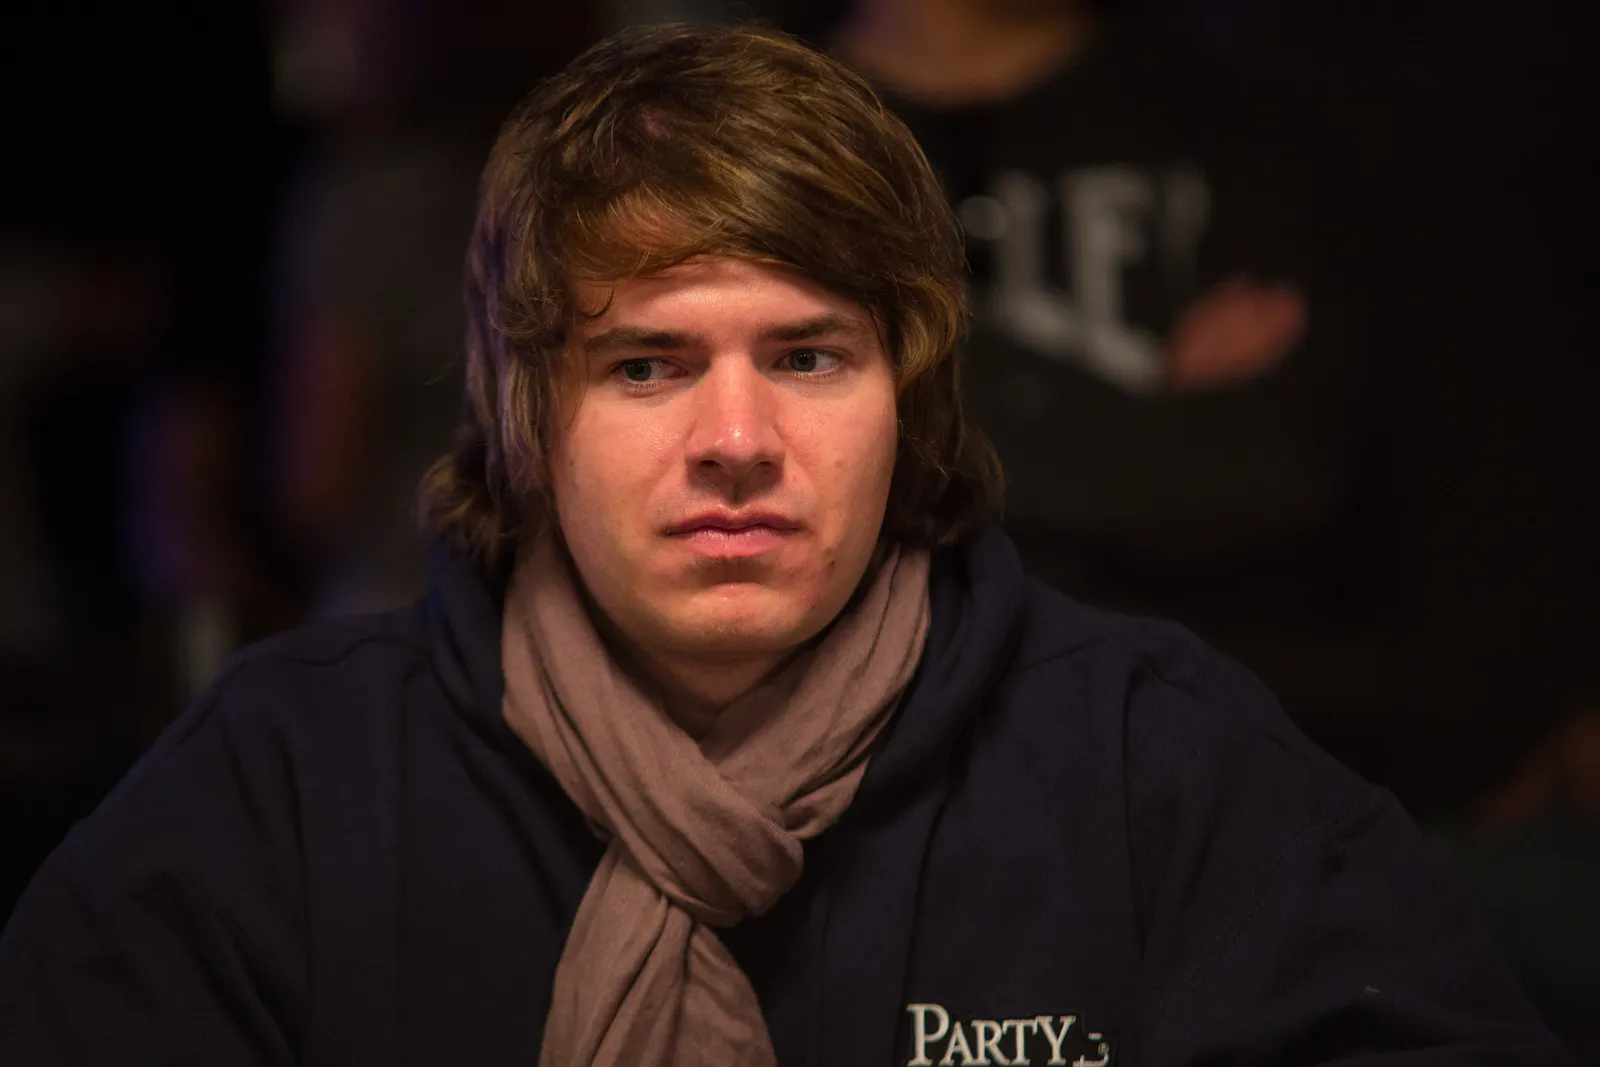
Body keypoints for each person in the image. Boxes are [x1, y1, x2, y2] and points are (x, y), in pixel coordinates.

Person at [0, 23, 1575, 1067]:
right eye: (647, 365)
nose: (738, 437)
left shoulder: (1149, 759)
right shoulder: (285, 782)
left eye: (811, 356)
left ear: (911, 395)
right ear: (526, 413)